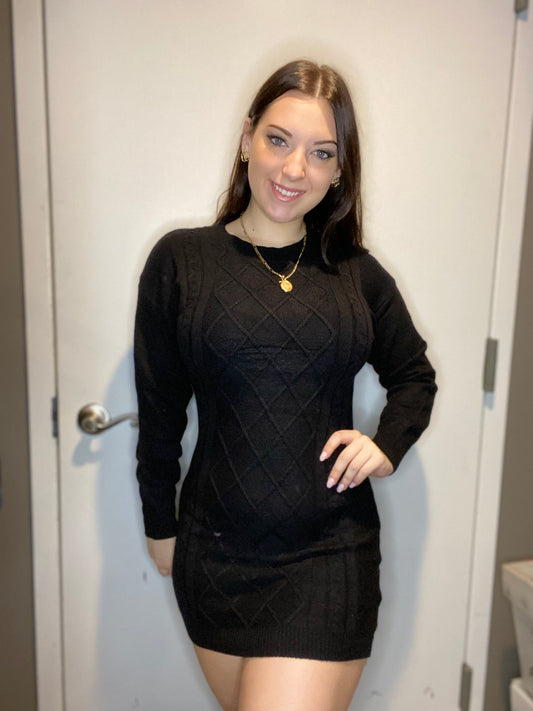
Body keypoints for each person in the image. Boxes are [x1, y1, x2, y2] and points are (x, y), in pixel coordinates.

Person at [134, 59, 437, 711]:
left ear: (339, 169)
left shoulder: (355, 274)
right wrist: (160, 523)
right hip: (215, 555)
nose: (295, 169)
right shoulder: (181, 262)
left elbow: (414, 376)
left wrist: (385, 445)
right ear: (247, 138)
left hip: (328, 552)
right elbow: (159, 410)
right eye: (278, 140)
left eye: (321, 153)